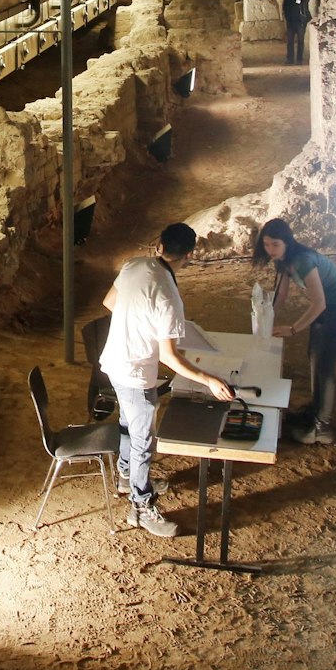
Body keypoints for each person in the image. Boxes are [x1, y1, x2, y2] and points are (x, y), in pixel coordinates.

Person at [99, 222, 234, 537]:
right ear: (189, 255)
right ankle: (140, 507)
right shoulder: (169, 297)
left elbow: (109, 302)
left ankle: (125, 476)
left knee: (128, 426)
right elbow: (169, 357)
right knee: (144, 439)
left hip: (115, 363)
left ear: (159, 246)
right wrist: (209, 380)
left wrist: (137, 322)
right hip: (135, 373)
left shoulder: (134, 265)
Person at [253, 218, 336, 445]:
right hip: (327, 308)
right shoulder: (282, 260)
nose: (270, 250)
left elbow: (319, 303)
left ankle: (322, 428)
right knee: (314, 357)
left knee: (324, 364)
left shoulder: (302, 261)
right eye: (266, 244)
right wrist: (264, 321)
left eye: (275, 244)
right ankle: (316, 411)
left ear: (286, 243)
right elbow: (280, 296)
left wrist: (293, 329)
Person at [280, 0, 312, 64]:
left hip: (301, 22)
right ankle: (290, 59)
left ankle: (299, 59)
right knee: (290, 41)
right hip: (291, 22)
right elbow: (285, 8)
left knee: (300, 41)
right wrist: (286, 19)